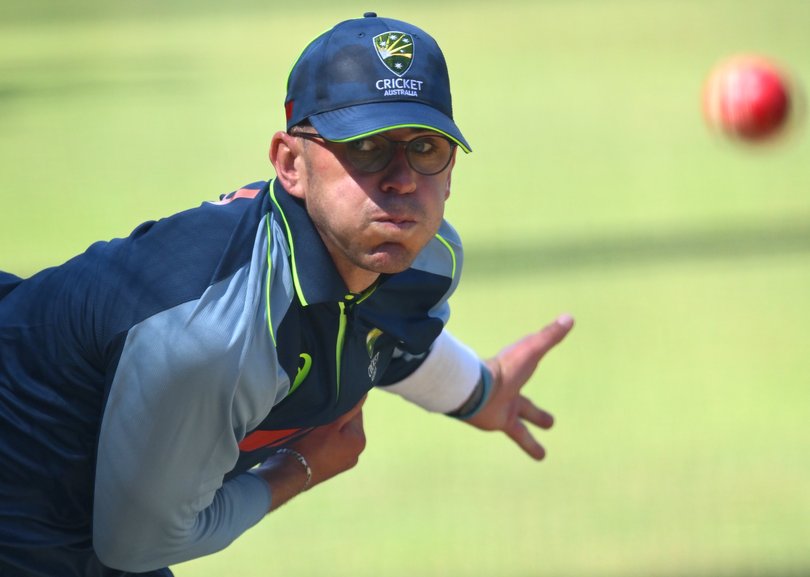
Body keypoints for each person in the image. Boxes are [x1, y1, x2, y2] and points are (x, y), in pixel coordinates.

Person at [0, 12, 574, 577]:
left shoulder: (420, 259)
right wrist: (299, 469)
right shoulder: (211, 339)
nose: (402, 180)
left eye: (426, 149)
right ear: (290, 164)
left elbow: (382, 337)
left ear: (450, 173)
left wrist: (481, 392)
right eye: (366, 148)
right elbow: (139, 544)